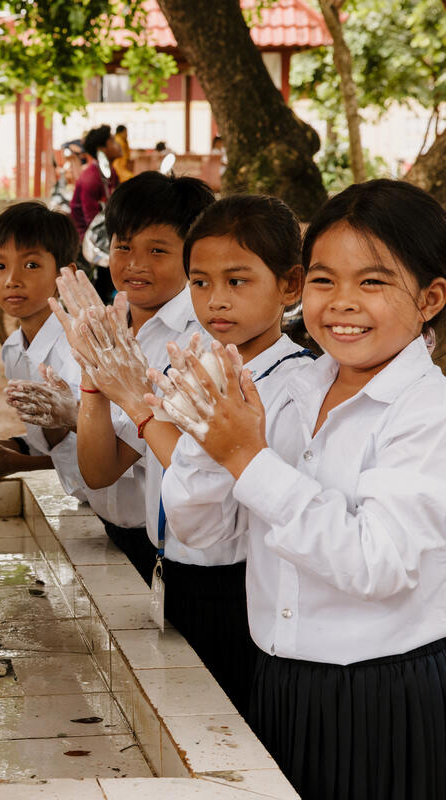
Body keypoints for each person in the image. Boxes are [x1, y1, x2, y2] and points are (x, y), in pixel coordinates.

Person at [160, 180, 446, 800]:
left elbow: (378, 562)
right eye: (324, 280)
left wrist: (247, 456)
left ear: (429, 298)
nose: (342, 303)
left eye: (372, 282)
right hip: (278, 679)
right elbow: (205, 532)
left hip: (379, 698)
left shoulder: (427, 412)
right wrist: (207, 437)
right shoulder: (290, 390)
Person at [55, 195, 309, 713]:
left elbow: (215, 490)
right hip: (171, 571)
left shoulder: (296, 383)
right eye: (201, 282)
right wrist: (94, 379)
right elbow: (101, 471)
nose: (215, 301)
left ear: (290, 285)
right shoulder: (191, 367)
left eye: (237, 282)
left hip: (236, 590)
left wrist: (136, 403)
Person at [52, 171, 214, 583]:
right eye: (123, 247)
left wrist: (99, 381)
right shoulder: (110, 322)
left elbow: (102, 469)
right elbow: (94, 471)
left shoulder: (194, 342)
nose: (135, 264)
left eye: (157, 250)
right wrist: (91, 378)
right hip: (111, 526)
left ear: (194, 255)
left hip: (170, 547)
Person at [0, 202, 79, 477]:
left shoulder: (78, 350)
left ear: (63, 275)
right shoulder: (13, 348)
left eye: (31, 265)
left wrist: (16, 465)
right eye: (0, 265)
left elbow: (101, 453)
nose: (12, 280)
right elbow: (47, 446)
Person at [70, 124, 121, 239]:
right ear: (101, 149)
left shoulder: (111, 172)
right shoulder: (91, 178)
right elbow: (91, 221)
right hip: (86, 242)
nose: (118, 145)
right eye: (112, 141)